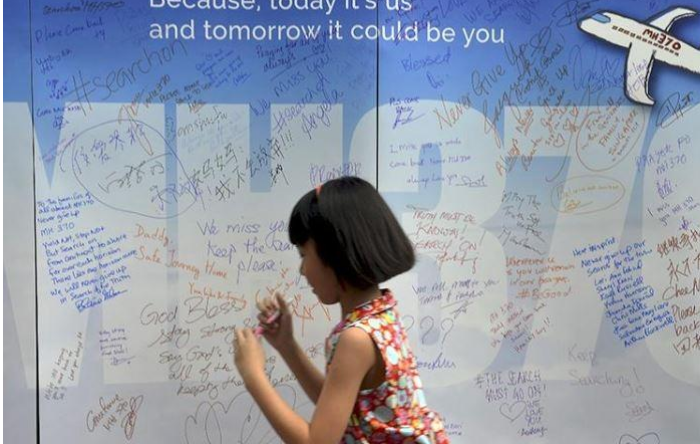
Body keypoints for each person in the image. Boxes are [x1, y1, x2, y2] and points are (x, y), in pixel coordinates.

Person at [233, 176, 450, 444]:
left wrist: (253, 375)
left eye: (303, 255)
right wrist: (287, 346)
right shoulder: (380, 314)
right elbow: (339, 407)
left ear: (335, 253)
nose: (302, 270)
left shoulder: (356, 339)